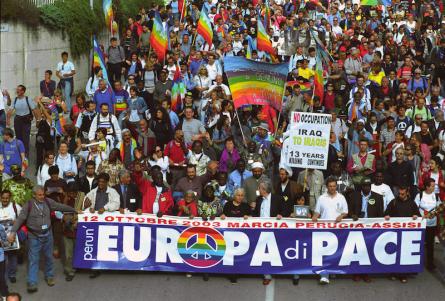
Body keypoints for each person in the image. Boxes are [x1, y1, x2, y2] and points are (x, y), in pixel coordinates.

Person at [7, 186, 80, 293]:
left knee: (49, 257)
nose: (42, 197)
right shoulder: (29, 205)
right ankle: (32, 282)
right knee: (33, 260)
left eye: (43, 194)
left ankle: (49, 276)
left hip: (47, 235)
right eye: (40, 195)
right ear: (34, 195)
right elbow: (20, 219)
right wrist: (12, 232)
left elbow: (60, 206)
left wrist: (74, 210)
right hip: (34, 236)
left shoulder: (48, 201)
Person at [312, 177, 349, 284]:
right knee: (325, 252)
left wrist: (341, 216)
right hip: (325, 229)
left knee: (336, 252)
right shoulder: (321, 198)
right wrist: (314, 217)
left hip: (337, 230)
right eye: (330, 186)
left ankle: (332, 270)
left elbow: (346, 212)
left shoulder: (341, 197)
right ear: (326, 187)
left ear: (336, 186)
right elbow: (317, 212)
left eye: (334, 186)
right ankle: (324, 275)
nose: (332, 188)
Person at [384, 186, 420, 283]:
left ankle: (403, 275)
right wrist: (387, 216)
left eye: (402, 194)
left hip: (407, 234)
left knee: (404, 254)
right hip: (394, 234)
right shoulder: (394, 202)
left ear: (407, 193)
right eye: (399, 194)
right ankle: (393, 273)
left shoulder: (412, 203)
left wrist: (416, 216)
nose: (400, 195)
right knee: (393, 253)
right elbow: (387, 212)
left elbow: (418, 215)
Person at [252, 179, 284, 285]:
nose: (258, 190)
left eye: (260, 188)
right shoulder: (258, 200)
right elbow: (255, 214)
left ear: (264, 189)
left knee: (274, 252)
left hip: (275, 230)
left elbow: (286, 210)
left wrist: (281, 215)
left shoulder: (277, 199)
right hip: (261, 230)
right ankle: (267, 274)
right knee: (264, 252)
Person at [414, 178, 441, 271]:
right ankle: (416, 262)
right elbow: (414, 208)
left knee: (430, 244)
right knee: (419, 243)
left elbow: (439, 208)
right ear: (427, 187)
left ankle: (430, 264)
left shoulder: (436, 196)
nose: (434, 187)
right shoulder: (420, 195)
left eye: (435, 185)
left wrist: (434, 214)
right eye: (433, 186)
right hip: (421, 224)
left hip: (432, 224)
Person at [7, 85, 40, 156]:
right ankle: (20, 153)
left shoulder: (28, 99)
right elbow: (10, 110)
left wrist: (37, 120)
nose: (17, 91)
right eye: (17, 89)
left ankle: (26, 155)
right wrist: (8, 120)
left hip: (26, 120)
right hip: (18, 120)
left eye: (19, 90)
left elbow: (34, 110)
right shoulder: (15, 100)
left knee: (26, 138)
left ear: (23, 91)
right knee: (18, 138)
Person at [0, 190, 20, 284]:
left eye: (7, 198)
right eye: (3, 197)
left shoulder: (15, 207)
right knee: (2, 258)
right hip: (1, 238)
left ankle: (12, 275)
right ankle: (2, 277)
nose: (5, 199)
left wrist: (17, 222)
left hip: (12, 237)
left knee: (12, 257)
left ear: (10, 198)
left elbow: (22, 218)